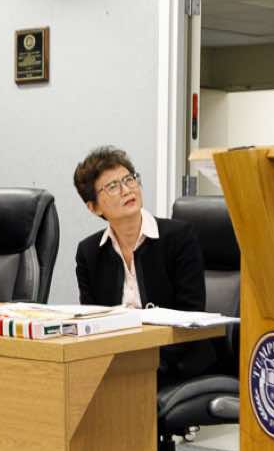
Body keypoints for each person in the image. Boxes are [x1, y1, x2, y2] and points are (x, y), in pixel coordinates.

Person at [70, 146, 212, 381]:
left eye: (129, 179)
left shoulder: (179, 238)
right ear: (93, 207)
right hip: (117, 362)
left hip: (176, 362)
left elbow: (189, 318)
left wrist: (142, 360)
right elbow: (92, 322)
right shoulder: (89, 253)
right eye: (113, 186)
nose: (127, 190)